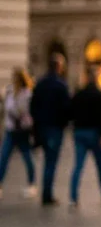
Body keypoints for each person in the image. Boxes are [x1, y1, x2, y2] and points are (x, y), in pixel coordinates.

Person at [69, 68, 101, 207]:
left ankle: (73, 197)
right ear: (95, 79)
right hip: (94, 133)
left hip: (79, 132)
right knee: (100, 167)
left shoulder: (78, 94)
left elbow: (71, 112)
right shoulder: (98, 94)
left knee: (78, 166)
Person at [30, 53, 71, 206]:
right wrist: (64, 124)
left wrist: (36, 126)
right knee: (50, 162)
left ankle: (46, 192)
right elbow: (67, 109)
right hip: (54, 128)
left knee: (47, 160)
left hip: (42, 127)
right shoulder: (61, 85)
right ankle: (47, 195)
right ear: (59, 67)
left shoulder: (40, 84)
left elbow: (33, 106)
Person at [0, 67, 37, 200]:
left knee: (28, 159)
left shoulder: (27, 93)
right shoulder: (9, 91)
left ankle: (32, 184)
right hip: (11, 130)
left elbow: (26, 111)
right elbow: (7, 108)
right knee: (3, 158)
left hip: (22, 131)